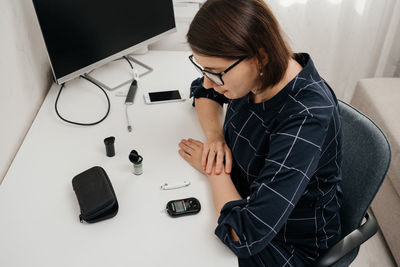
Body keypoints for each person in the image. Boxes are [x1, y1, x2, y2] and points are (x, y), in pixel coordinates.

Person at [178, 0, 343, 266]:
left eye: (217, 72)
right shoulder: (258, 75)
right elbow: (203, 90)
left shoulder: (306, 117)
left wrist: (214, 168)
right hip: (246, 195)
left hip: (288, 243)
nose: (209, 81)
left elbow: (244, 234)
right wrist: (215, 138)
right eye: (204, 69)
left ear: (261, 56)